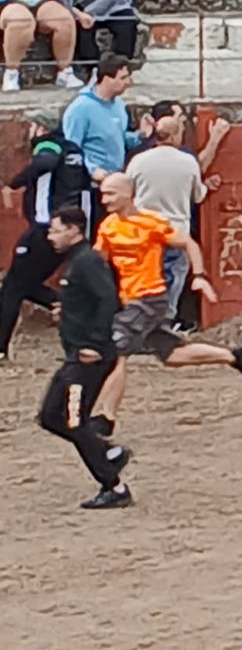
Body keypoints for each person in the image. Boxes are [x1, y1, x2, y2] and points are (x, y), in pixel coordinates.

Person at [90, 172, 242, 438]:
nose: (104, 199)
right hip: (129, 299)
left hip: (149, 298)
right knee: (172, 355)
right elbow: (97, 261)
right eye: (103, 194)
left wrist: (199, 276)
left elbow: (188, 243)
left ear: (128, 194)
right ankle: (233, 356)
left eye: (110, 193)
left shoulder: (151, 223)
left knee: (116, 353)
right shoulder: (108, 226)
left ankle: (106, 418)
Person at [37, 207, 133, 510]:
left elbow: (108, 299)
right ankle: (107, 452)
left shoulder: (88, 261)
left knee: (73, 420)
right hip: (74, 357)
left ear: (74, 230)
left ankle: (114, 487)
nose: (50, 236)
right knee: (51, 416)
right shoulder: (76, 263)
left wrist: (94, 343)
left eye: (55, 230)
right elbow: (88, 300)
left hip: (89, 357)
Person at [0, 109, 92, 361]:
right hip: (67, 230)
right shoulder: (74, 150)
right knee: (24, 284)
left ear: (40, 128)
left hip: (45, 228)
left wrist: (13, 184)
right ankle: (65, 303)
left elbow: (45, 163)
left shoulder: (47, 144)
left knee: (12, 288)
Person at [127, 115, 208, 322]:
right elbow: (198, 195)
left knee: (145, 278)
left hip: (144, 229)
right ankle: (164, 321)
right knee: (173, 277)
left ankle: (142, 321)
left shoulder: (139, 161)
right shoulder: (188, 162)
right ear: (173, 136)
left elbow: (127, 192)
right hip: (176, 229)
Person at [63, 54, 154, 235]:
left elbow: (120, 138)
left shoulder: (119, 105)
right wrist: (92, 170)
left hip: (115, 183)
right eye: (123, 77)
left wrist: (140, 135)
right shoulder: (80, 109)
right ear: (106, 79)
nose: (129, 82)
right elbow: (71, 149)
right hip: (91, 187)